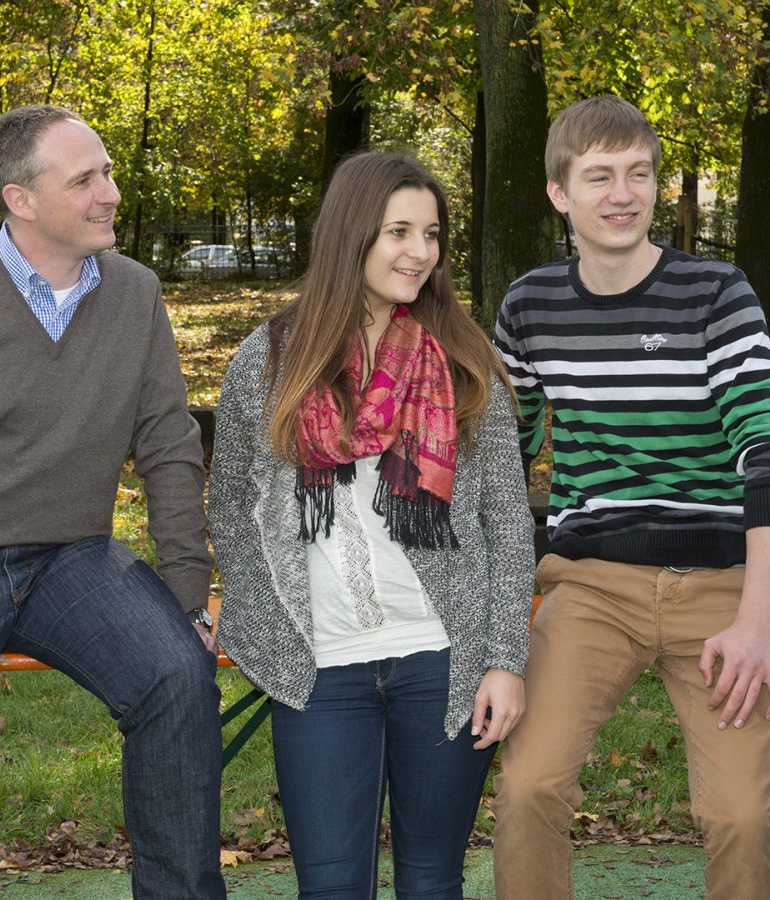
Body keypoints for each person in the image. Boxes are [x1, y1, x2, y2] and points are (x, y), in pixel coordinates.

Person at [0, 104, 226, 899]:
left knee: (178, 678)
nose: (110, 191)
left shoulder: (135, 292)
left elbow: (169, 448)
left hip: (72, 559)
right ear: (21, 199)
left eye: (106, 170)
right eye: (86, 179)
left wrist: (186, 596)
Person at [490, 95, 770, 899]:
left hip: (722, 587)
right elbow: (499, 463)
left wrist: (759, 622)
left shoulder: (717, 293)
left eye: (639, 173)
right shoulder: (528, 308)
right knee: (527, 789)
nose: (622, 193)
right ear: (561, 193)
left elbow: (769, 453)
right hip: (592, 586)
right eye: (599, 176)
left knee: (741, 817)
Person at [208, 151, 533, 899]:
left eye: (431, 233)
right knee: (330, 887)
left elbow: (508, 524)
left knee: (429, 880)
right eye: (398, 232)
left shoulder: (462, 358)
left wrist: (505, 659)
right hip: (321, 668)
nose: (420, 252)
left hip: (442, 659)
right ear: (351, 235)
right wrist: (275, 622)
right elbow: (229, 505)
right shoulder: (271, 361)